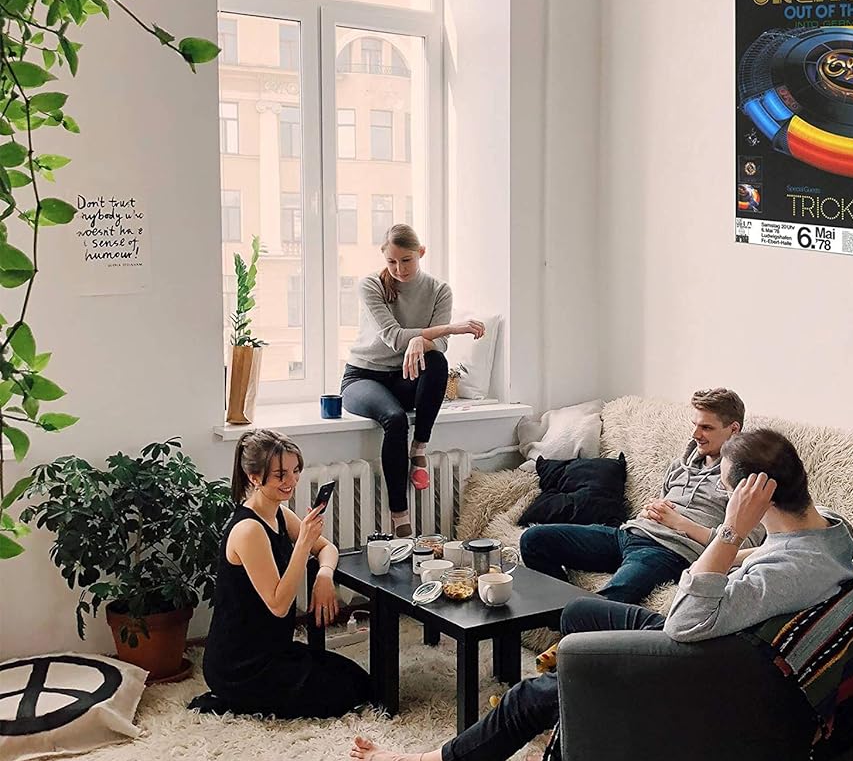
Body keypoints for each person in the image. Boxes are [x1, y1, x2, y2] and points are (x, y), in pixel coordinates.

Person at [348, 427, 853, 761]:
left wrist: (730, 531)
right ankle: (571, 713)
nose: (723, 492)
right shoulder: (828, 531)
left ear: (755, 495)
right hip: (719, 631)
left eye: (726, 487)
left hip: (700, 662)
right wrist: (738, 550)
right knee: (579, 614)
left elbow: (686, 620)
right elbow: (769, 560)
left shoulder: (784, 572)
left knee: (530, 694)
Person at [193, 430, 374, 719]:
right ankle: (234, 698)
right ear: (254, 477)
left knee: (360, 682)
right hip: (241, 665)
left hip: (275, 649)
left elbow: (326, 548)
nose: (291, 481)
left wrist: (324, 576)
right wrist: (302, 544)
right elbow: (278, 605)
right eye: (281, 475)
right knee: (343, 696)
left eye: (295, 471)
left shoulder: (278, 513)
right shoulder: (249, 530)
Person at [519, 388, 754, 604]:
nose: (695, 434)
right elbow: (663, 504)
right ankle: (561, 615)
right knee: (534, 539)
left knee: (608, 602)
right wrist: (649, 511)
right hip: (628, 534)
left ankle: (575, 624)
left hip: (668, 552)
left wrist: (680, 523)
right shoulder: (680, 466)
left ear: (734, 429)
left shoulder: (745, 479)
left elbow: (741, 544)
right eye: (695, 425)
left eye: (706, 428)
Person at [341, 223, 485, 537]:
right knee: (394, 420)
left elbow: (439, 347)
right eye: (392, 262)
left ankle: (419, 446)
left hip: (404, 377)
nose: (399, 269)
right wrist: (450, 328)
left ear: (421, 253)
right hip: (364, 377)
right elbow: (394, 338)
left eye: (406, 260)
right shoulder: (371, 285)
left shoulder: (439, 291)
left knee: (437, 361)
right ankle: (400, 516)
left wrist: (422, 340)